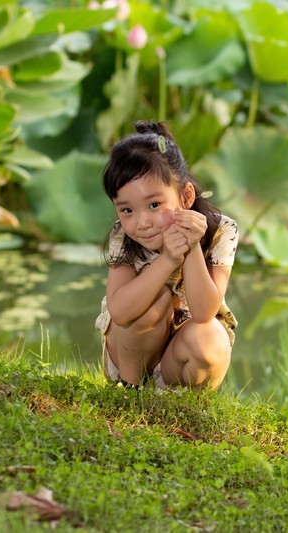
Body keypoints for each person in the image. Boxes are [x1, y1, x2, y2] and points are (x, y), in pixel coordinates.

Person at [94, 120, 238, 391]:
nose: (142, 222)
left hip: (182, 352)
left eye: (154, 204)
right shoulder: (122, 236)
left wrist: (191, 246)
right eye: (127, 210)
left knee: (209, 339)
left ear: (186, 197)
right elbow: (122, 312)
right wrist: (168, 260)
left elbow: (204, 312)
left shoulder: (221, 230)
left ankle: (185, 403)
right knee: (155, 300)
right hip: (132, 351)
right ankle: (129, 390)